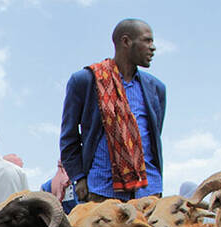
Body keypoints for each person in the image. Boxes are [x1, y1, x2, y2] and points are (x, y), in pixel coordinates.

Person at [60, 18, 166, 203]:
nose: (153, 47)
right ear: (126, 41)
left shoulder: (156, 88)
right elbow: (69, 137)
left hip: (148, 192)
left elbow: (154, 135)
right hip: (102, 191)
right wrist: (79, 177)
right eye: (147, 41)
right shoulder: (86, 81)